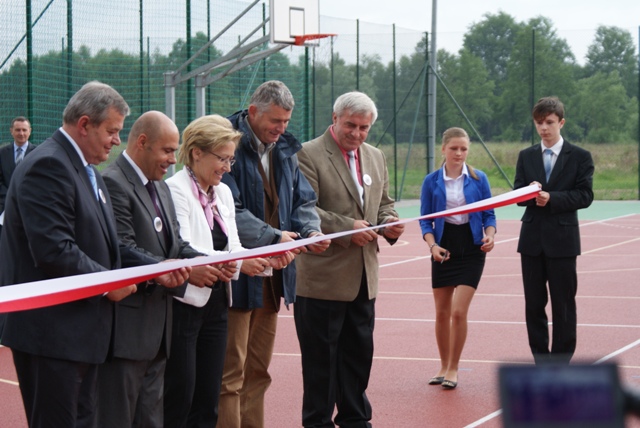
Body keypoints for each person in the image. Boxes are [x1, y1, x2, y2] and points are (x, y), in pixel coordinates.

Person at [0, 81, 190, 428]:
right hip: (52, 337)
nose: (118, 140)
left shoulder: (88, 172)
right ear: (84, 124)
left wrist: (155, 269)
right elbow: (54, 250)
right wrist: (106, 285)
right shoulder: (49, 166)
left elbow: (108, 247)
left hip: (81, 336)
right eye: (112, 131)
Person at [98, 110, 229, 427]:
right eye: (168, 151)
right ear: (142, 142)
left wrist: (203, 262)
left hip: (159, 332)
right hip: (128, 332)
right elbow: (122, 249)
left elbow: (176, 246)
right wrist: (169, 267)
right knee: (120, 419)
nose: (174, 159)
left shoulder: (159, 187)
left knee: (152, 420)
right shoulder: (113, 182)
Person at [219, 80, 329, 428]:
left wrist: (310, 231)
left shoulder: (284, 149)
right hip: (236, 276)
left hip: (273, 277)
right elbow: (228, 208)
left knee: (258, 371)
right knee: (230, 374)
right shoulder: (225, 144)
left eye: (285, 122)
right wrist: (273, 237)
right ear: (253, 112)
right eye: (275, 122)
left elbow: (304, 200)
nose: (281, 129)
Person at [294, 91, 405, 427]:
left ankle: (356, 420)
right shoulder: (307, 155)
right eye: (351, 126)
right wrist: (346, 229)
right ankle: (318, 422)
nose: (357, 134)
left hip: (363, 279)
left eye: (364, 128)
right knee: (321, 364)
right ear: (335, 118)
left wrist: (390, 223)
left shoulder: (375, 156)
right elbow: (303, 210)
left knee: (358, 358)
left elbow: (384, 203)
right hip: (322, 281)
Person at [164, 114, 272, 427]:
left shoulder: (223, 192)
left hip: (216, 304)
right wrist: (241, 262)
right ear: (196, 152)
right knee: (180, 396)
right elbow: (184, 247)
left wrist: (265, 260)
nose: (227, 168)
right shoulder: (175, 190)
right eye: (222, 159)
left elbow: (233, 246)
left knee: (209, 398)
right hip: (184, 305)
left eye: (231, 160)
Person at [514, 96, 594, 365]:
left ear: (561, 122)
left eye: (549, 122)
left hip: (563, 241)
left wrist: (553, 198)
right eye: (539, 123)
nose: (543, 128)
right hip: (532, 241)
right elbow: (517, 194)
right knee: (534, 306)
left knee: (563, 305)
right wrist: (530, 192)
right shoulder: (526, 156)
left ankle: (560, 363)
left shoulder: (580, 156)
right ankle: (541, 362)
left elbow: (585, 195)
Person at [419, 127, 496, 390]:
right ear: (443, 149)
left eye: (463, 149)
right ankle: (443, 365)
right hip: (444, 247)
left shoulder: (479, 178)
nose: (459, 153)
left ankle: (454, 367)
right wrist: (432, 246)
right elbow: (425, 221)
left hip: (472, 248)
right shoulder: (431, 181)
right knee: (441, 313)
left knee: (459, 312)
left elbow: (489, 215)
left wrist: (490, 235)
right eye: (454, 148)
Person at [0, 116, 35, 236]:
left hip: (30, 206)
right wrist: (10, 196)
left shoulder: (38, 154)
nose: (21, 133)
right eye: (18, 130)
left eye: (24, 130)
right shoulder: (2, 153)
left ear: (30, 131)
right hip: (5, 206)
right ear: (11, 131)